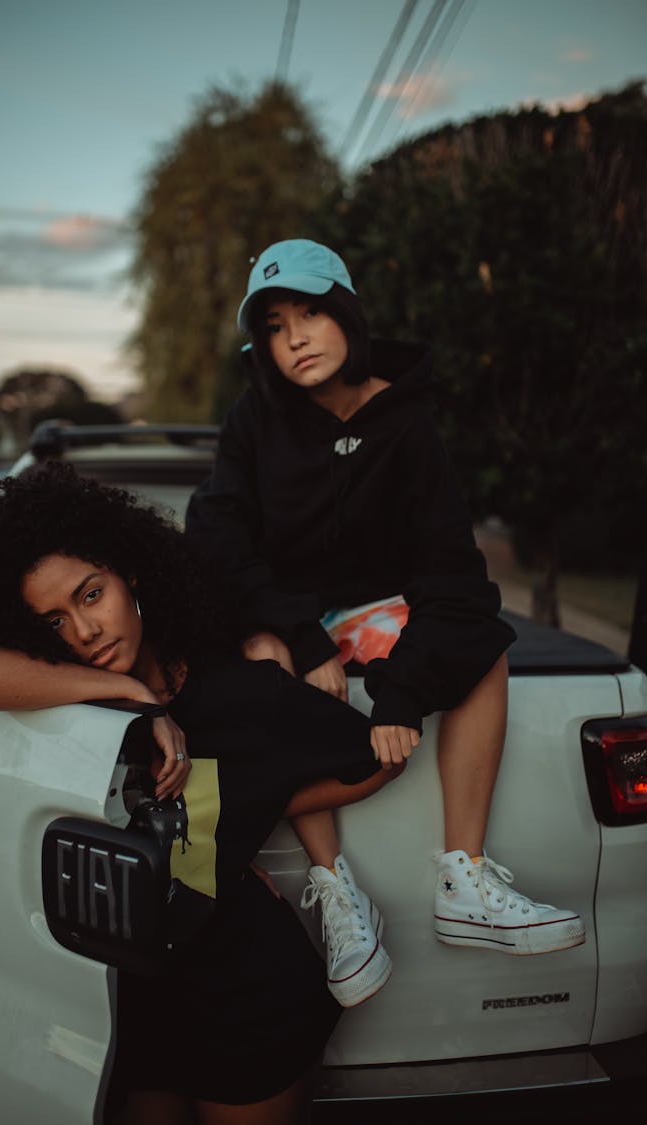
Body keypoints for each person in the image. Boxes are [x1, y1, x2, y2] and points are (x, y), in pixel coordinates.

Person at [0, 462, 403, 1125]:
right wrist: (129, 695)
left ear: (129, 573)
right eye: (51, 621)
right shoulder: (63, 698)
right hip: (128, 1007)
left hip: (246, 997)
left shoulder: (238, 690)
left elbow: (373, 756)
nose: (84, 632)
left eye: (90, 594)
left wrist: (240, 809)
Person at [185, 237, 586, 965]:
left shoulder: (406, 424)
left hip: (377, 612)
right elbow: (215, 534)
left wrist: (401, 693)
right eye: (273, 326)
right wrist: (301, 636)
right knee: (263, 655)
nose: (295, 337)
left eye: (309, 312)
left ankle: (464, 877)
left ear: (346, 310)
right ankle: (337, 887)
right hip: (288, 616)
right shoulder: (255, 418)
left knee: (481, 642)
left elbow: (452, 575)